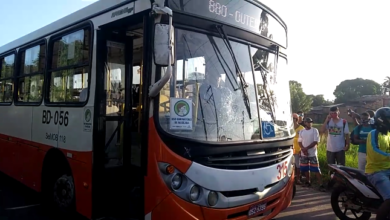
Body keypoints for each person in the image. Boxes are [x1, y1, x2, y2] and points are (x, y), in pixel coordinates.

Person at [365, 107, 390, 220]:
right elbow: (375, 151)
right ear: (381, 120)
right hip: (376, 171)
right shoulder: (373, 133)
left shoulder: (388, 134)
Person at [298, 117, 326, 191]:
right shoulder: (301, 131)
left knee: (316, 169)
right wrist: (303, 149)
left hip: (312, 153)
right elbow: (299, 142)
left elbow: (315, 142)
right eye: (308, 122)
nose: (309, 123)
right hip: (304, 153)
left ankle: (321, 184)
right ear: (305, 123)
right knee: (306, 169)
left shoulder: (314, 130)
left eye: (310, 122)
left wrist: (306, 149)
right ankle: (308, 181)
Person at [293, 113, 305, 184]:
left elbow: (304, 140)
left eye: (293, 119)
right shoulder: (289, 128)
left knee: (298, 166)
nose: (292, 120)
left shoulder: (301, 129)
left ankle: (297, 179)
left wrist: (302, 150)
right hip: (290, 150)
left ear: (296, 119)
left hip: (298, 150)